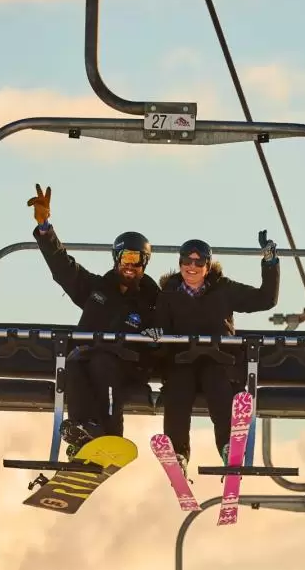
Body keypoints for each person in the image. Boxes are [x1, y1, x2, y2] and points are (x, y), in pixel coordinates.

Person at [27, 184, 160, 458]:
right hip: (89, 358)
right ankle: (84, 431)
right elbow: (63, 268)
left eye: (136, 259)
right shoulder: (97, 290)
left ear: (144, 262)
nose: (129, 265)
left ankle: (111, 434)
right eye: (124, 257)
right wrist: (45, 229)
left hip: (128, 365)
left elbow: (173, 322)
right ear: (116, 259)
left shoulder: (152, 299)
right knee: (73, 362)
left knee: (103, 362)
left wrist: (159, 333)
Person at [153, 232, 280, 475]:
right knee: (177, 391)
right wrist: (155, 337)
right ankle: (178, 452)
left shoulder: (223, 289)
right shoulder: (168, 294)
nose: (192, 267)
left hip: (219, 360)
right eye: (187, 262)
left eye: (199, 263)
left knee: (219, 388)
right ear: (180, 264)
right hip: (183, 361)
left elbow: (265, 299)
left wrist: (270, 263)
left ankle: (228, 446)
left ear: (208, 266)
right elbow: (161, 328)